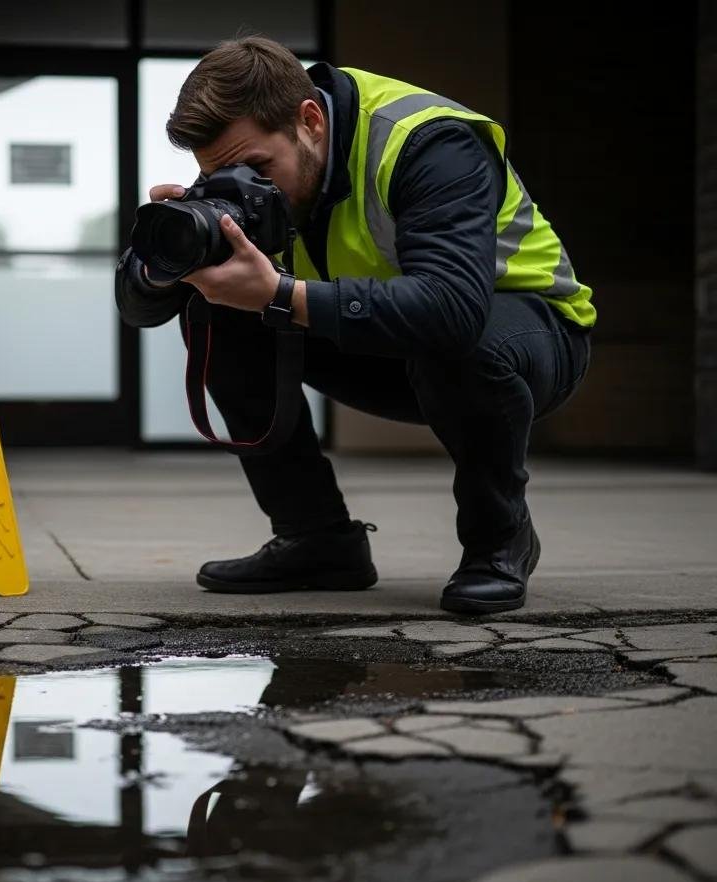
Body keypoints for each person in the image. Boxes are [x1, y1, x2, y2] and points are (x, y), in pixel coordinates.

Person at [115, 36, 595, 614]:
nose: (248, 187)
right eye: (223, 174)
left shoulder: (430, 143)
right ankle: (317, 540)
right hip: (391, 346)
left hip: (526, 337)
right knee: (220, 308)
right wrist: (171, 263)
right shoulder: (249, 179)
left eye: (259, 169)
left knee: (463, 345)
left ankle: (499, 540)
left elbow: (451, 312)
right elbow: (138, 312)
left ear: (310, 120)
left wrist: (279, 292)